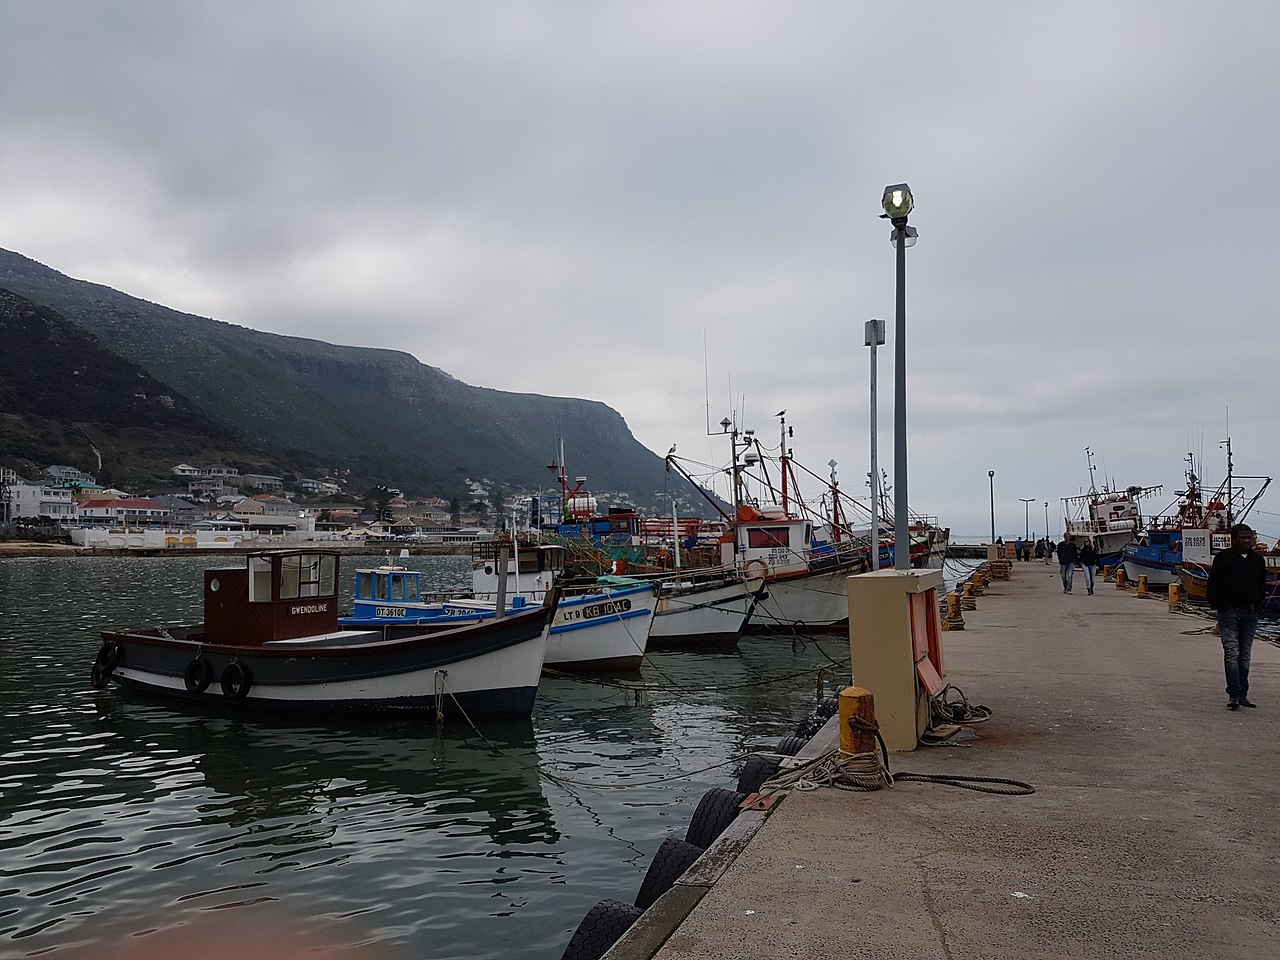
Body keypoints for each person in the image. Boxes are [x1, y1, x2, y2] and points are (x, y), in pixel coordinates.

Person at [1206, 523, 1267, 710]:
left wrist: (1257, 607)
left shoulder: (1257, 561)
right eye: (1243, 538)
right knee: (1232, 652)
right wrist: (1221, 607)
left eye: (1249, 538)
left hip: (1250, 613)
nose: (1247, 541)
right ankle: (1233, 694)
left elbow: (1262, 585)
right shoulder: (1223, 559)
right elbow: (1213, 586)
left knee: (1245, 655)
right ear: (1233, 539)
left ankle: (1243, 694)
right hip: (1229, 612)